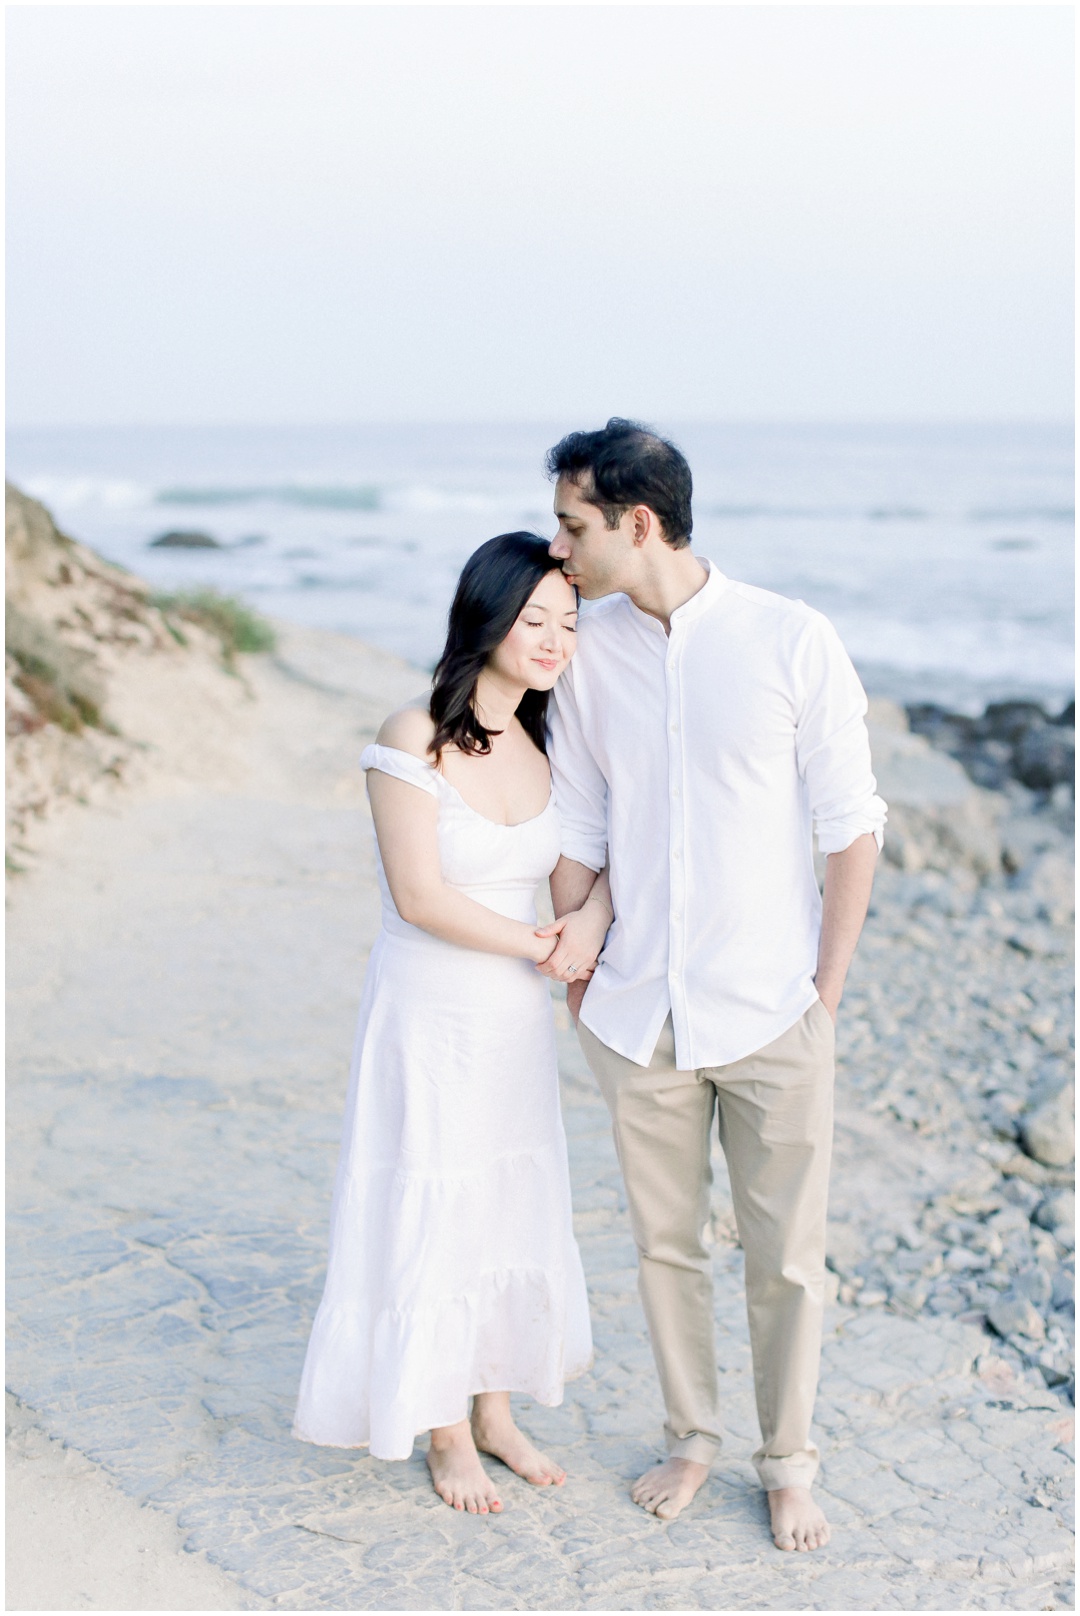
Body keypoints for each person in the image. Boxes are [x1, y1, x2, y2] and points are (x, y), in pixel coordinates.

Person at [536, 419, 887, 1552]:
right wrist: (577, 963)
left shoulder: (792, 638)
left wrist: (822, 993)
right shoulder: (588, 651)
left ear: (639, 523)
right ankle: (694, 1435)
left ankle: (788, 1460)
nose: (560, 547)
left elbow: (852, 827)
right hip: (637, 1009)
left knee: (786, 1255)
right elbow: (580, 820)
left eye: (574, 524)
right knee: (666, 1243)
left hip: (774, 1009)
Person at [294, 532, 596, 1515]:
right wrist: (538, 942)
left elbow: (565, 881)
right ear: (489, 614)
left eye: (569, 621)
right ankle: (445, 1425)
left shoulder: (544, 745)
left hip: (513, 1020)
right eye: (535, 618)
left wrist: (584, 922)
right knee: (439, 1197)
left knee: (508, 1197)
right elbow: (419, 894)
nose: (554, 638)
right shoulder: (412, 732)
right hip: (430, 1015)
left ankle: (498, 1406)